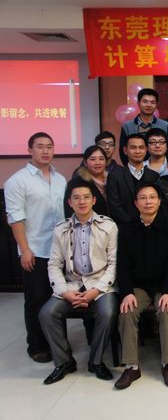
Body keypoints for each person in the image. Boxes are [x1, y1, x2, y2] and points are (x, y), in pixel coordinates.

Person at [39, 179, 118, 384]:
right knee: (47, 313)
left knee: (108, 312)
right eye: (77, 198)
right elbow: (54, 264)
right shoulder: (61, 229)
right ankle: (64, 362)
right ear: (70, 202)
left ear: (93, 200)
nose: (82, 201)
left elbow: (113, 264)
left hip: (101, 284)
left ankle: (96, 361)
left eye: (86, 197)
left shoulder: (109, 226)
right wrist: (64, 291)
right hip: (72, 284)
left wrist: (96, 291)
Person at [4, 132, 67, 362]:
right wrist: (25, 249)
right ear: (29, 150)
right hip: (36, 250)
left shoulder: (60, 179)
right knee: (36, 300)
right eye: (40, 146)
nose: (45, 151)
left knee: (59, 298)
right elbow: (15, 218)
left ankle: (58, 343)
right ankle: (37, 346)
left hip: (59, 250)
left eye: (49, 146)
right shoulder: (17, 181)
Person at [114, 182, 168, 389]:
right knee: (127, 311)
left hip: (165, 285)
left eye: (152, 197)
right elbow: (123, 265)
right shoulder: (127, 229)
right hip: (139, 286)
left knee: (167, 311)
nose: (148, 202)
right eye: (143, 198)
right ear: (136, 203)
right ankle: (131, 366)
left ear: (159, 201)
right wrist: (127, 292)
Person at [106, 133, 160, 225]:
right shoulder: (115, 176)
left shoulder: (154, 176)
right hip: (125, 227)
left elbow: (158, 203)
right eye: (133, 147)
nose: (137, 151)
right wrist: (133, 224)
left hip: (152, 226)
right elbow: (114, 206)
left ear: (146, 150)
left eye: (141, 148)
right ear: (125, 150)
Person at [119, 88, 168, 165]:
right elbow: (123, 152)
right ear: (138, 103)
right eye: (145, 102)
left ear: (156, 105)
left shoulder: (165, 126)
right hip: (134, 168)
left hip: (159, 169)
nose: (149, 105)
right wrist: (131, 169)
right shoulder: (127, 126)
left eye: (152, 102)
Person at [65, 145, 110, 217]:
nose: (97, 162)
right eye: (93, 159)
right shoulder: (78, 182)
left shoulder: (113, 179)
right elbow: (70, 211)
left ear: (106, 161)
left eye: (101, 159)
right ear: (85, 162)